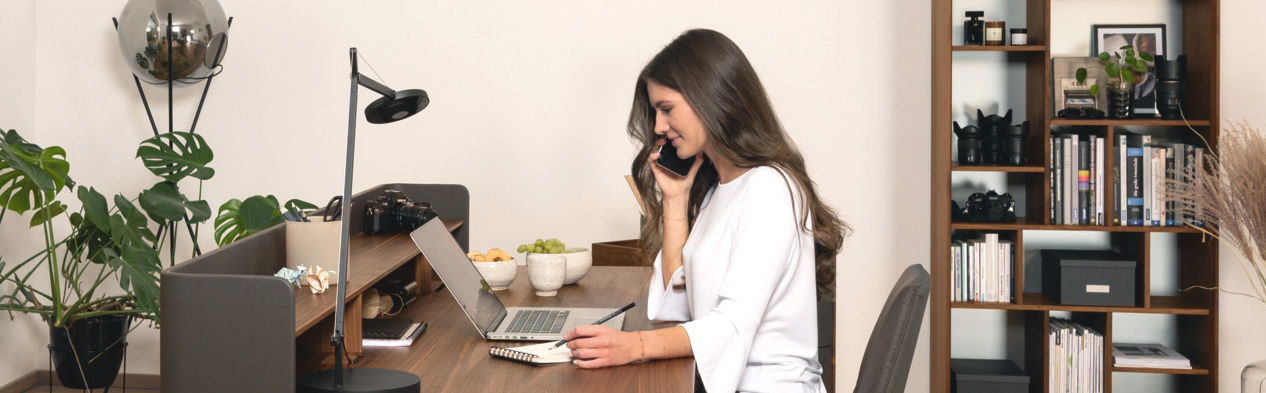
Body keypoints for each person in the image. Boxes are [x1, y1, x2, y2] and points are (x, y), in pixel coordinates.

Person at [561, 29, 849, 393]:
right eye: (655, 112)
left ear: (709, 98)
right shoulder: (719, 188)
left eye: (666, 109)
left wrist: (634, 346)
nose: (659, 127)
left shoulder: (770, 188)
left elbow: (732, 323)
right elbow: (676, 307)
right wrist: (675, 201)